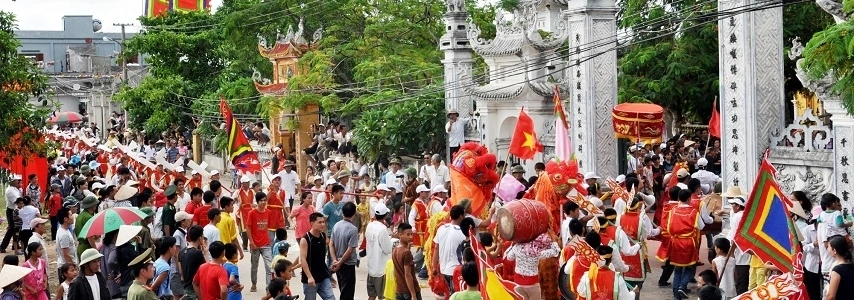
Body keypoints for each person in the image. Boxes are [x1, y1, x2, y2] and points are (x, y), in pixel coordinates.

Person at [432, 205, 467, 293]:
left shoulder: (441, 228)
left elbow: (436, 248)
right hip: (456, 271)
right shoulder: (462, 232)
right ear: (461, 216)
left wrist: (434, 267)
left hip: (443, 269)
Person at [300, 212, 335, 300]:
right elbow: (303, 260)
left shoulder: (323, 236)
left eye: (323, 222)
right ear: (312, 223)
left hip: (323, 276)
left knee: (331, 298)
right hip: (311, 279)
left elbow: (330, 247)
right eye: (319, 222)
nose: (323, 224)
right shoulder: (306, 239)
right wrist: (309, 277)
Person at [330, 202, 359, 299]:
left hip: (338, 263)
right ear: (354, 214)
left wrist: (335, 260)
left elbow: (331, 244)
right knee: (347, 294)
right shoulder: (353, 229)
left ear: (343, 213)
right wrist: (340, 262)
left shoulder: (337, 225)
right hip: (347, 264)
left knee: (343, 290)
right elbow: (350, 250)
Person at [246, 192, 274, 292]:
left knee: (269, 267)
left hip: (266, 244)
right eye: (261, 200)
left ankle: (269, 288)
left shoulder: (268, 212)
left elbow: (269, 228)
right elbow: (248, 228)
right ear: (257, 202)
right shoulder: (252, 213)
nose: (263, 202)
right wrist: (251, 242)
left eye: (264, 200)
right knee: (254, 266)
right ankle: (254, 283)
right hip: (255, 244)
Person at [366, 202, 392, 300]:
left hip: (371, 267)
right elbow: (388, 249)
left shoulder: (370, 225)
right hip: (381, 269)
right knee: (382, 296)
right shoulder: (383, 229)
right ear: (385, 215)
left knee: (371, 295)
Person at [394, 222, 421, 300]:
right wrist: (413, 295)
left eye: (411, 234)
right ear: (400, 235)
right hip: (409, 291)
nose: (410, 237)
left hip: (399, 290)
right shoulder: (406, 252)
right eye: (408, 235)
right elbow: (408, 275)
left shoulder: (395, 250)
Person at [179, 226, 206, 299]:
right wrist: (205, 253)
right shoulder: (197, 253)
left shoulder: (182, 252)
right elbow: (205, 270)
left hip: (186, 288)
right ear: (200, 238)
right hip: (195, 290)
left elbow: (181, 271)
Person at [827, 235, 854, 300]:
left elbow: (831, 296)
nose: (827, 248)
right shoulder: (851, 265)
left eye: (828, 247)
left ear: (834, 250)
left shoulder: (837, 270)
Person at [1, 174, 23, 253]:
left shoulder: (15, 189)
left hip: (15, 210)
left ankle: (15, 245)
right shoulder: (10, 190)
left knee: (17, 228)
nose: (18, 182)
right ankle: (3, 246)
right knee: (12, 229)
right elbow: (17, 201)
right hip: (12, 211)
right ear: (13, 181)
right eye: (17, 180)